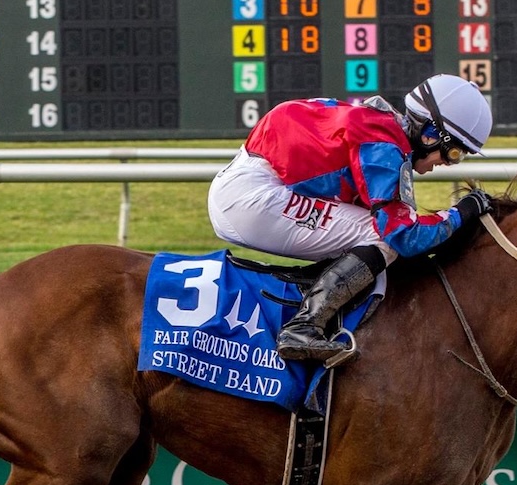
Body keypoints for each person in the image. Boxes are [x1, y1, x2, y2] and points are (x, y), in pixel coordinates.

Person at [208, 73, 494, 363]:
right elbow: (403, 236)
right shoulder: (383, 146)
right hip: (252, 198)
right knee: (382, 240)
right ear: (431, 134)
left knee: (371, 232)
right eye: (453, 154)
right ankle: (303, 327)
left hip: (247, 186)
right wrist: (463, 211)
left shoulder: (375, 124)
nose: (446, 164)